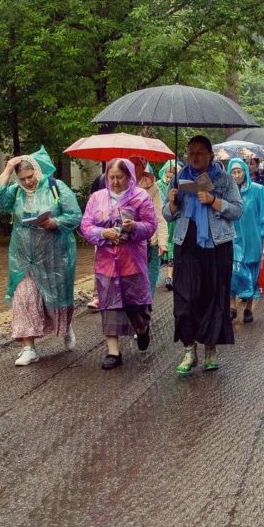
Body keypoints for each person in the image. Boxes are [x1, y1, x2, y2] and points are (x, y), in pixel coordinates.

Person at [0, 148, 82, 365]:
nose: (28, 182)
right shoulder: (15, 192)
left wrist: (54, 222)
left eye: (30, 177)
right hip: (24, 257)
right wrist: (8, 169)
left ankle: (65, 327)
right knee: (24, 297)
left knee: (56, 298)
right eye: (23, 178)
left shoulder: (56, 187)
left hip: (54, 255)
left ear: (38, 171)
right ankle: (29, 348)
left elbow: (75, 215)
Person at [164, 135, 243, 374]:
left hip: (217, 246)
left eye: (200, 152)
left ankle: (210, 349)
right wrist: (173, 202)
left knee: (213, 296)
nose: (195, 156)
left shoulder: (224, 179)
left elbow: (237, 210)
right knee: (184, 299)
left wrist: (213, 200)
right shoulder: (179, 179)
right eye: (191, 152)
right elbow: (168, 215)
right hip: (186, 244)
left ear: (210, 155)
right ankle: (190, 351)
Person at [79, 159, 157, 369]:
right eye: (111, 177)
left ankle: (142, 329)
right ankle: (113, 352)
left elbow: (150, 226)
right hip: (106, 263)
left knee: (136, 306)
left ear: (129, 177)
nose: (114, 182)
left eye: (119, 177)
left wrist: (134, 228)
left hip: (132, 261)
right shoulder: (97, 198)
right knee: (109, 304)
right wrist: (103, 233)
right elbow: (86, 226)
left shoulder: (141, 197)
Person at [227, 157, 264, 323]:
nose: (236, 175)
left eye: (239, 171)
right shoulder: (225, 192)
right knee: (232, 272)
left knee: (253, 273)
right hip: (233, 239)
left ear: (245, 172)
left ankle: (248, 307)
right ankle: (232, 305)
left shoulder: (258, 190)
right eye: (233, 172)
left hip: (253, 238)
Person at [130, 155, 168, 294]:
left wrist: (163, 242)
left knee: (148, 281)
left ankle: (145, 312)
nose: (133, 167)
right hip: (127, 241)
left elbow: (159, 216)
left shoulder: (153, 188)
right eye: (130, 163)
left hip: (149, 242)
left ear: (143, 166)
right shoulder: (119, 183)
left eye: (137, 164)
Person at [156, 160, 180, 290]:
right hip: (163, 220)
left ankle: (170, 276)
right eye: (169, 171)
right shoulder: (158, 185)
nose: (171, 174)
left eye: (174, 171)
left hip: (175, 223)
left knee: (173, 248)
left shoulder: (179, 184)